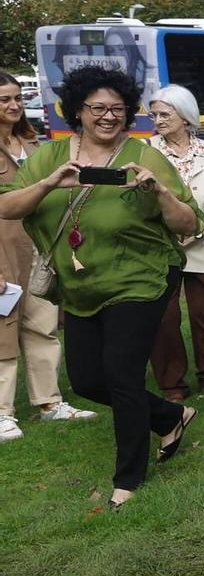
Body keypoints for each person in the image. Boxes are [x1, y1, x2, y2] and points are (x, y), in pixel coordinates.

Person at [0, 67, 203, 507]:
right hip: (80, 283)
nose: (108, 116)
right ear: (78, 110)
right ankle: (170, 415)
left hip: (141, 276)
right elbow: (6, 207)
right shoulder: (47, 158)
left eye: (117, 108)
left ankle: (127, 479)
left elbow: (190, 223)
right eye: (98, 108)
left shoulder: (146, 156)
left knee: (122, 373)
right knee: (88, 379)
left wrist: (159, 194)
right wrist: (49, 183)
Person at [0, 71, 95, 441]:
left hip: (39, 248)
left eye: (17, 99)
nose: (13, 105)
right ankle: (3, 412)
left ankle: (50, 403)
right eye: (4, 99)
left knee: (43, 325)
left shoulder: (32, 143)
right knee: (4, 333)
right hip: (3, 252)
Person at [145, 85, 204, 399]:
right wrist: (172, 231)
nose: (157, 120)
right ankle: (172, 385)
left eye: (164, 114)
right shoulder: (145, 153)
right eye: (154, 114)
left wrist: (199, 229)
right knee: (162, 318)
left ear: (185, 117)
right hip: (162, 247)